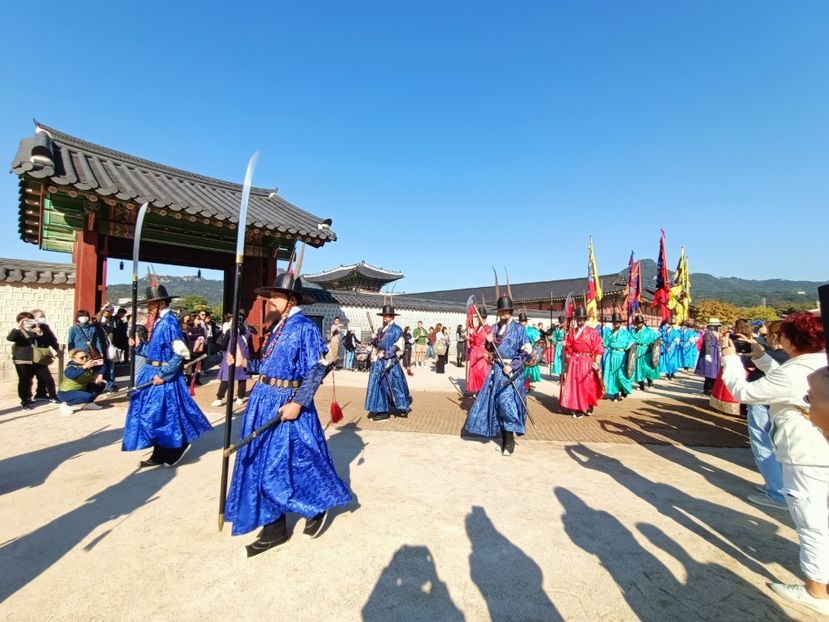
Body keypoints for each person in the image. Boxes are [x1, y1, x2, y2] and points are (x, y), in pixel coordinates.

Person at [224, 271, 352, 556]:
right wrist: (245, 362)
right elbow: (269, 367)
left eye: (274, 297)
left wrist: (298, 402)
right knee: (263, 463)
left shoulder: (304, 327)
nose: (269, 302)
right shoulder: (278, 328)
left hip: (288, 403)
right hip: (263, 400)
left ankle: (297, 516)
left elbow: (316, 368)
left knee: (284, 464)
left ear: (290, 300)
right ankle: (276, 523)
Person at [720, 312, 828, 614]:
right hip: (823, 448)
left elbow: (746, 392)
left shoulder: (796, 372)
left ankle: (816, 589)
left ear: (792, 340)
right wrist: (762, 357)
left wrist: (730, 358)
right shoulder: (818, 363)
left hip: (806, 453)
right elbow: (782, 376)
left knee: (811, 521)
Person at [123, 284, 212, 468]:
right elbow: (153, 350)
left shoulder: (170, 322)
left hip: (163, 375)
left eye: (151, 304)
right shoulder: (157, 322)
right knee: (150, 414)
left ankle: (174, 448)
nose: (148, 308)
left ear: (161, 303)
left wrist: (164, 374)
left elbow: (180, 353)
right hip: (150, 372)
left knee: (161, 415)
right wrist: (138, 346)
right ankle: (158, 452)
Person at [464, 294, 530, 456]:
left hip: (511, 373)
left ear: (511, 312)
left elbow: (527, 351)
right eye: (502, 311)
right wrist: (488, 341)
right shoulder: (494, 328)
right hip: (496, 371)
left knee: (507, 405)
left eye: (507, 311)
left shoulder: (519, 329)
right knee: (497, 405)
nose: (504, 314)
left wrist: (513, 365)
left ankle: (510, 442)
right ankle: (504, 439)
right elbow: (490, 349)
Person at [365, 304, 412, 420]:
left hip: (390, 361)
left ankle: (401, 407)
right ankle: (382, 409)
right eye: (384, 315)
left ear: (392, 316)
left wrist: (385, 354)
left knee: (395, 385)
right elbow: (377, 344)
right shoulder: (382, 330)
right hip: (380, 361)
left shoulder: (396, 329)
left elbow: (398, 345)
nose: (385, 317)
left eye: (387, 315)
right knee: (379, 384)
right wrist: (374, 338)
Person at [7, 312, 58, 409]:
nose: (28, 322)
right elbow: (10, 338)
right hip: (23, 359)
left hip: (38, 359)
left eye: (30, 319)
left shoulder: (37, 329)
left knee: (47, 378)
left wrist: (39, 332)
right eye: (25, 320)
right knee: (25, 381)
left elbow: (46, 342)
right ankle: (25, 400)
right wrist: (18, 327)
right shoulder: (18, 331)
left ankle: (53, 396)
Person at [560, 306, 605, 418]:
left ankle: (588, 404)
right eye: (578, 319)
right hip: (574, 361)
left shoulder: (592, 332)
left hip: (587, 362)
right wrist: (565, 347)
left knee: (587, 385)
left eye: (582, 319)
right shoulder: (572, 332)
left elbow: (599, 348)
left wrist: (597, 362)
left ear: (585, 319)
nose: (580, 321)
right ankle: (579, 408)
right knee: (575, 385)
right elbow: (569, 348)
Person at [212, 313, 250, 407]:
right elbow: (251, 346)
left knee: (226, 377)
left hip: (231, 356)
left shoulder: (230, 331)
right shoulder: (248, 332)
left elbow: (224, 345)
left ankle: (219, 398)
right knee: (242, 377)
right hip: (244, 356)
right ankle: (240, 398)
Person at [57, 348, 106, 415]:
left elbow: (102, 364)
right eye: (81, 358)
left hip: (80, 389)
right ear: (74, 359)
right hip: (66, 393)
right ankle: (66, 405)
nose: (85, 359)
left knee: (101, 384)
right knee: (87, 396)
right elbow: (72, 376)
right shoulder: (71, 367)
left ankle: (89, 404)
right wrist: (84, 367)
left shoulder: (88, 364)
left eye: (86, 356)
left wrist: (100, 374)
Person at [68, 309, 108, 388]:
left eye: (86, 316)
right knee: (82, 370)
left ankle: (94, 385)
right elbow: (71, 341)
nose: (84, 317)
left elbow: (97, 340)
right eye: (82, 316)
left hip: (90, 352)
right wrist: (71, 353)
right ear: (78, 317)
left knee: (97, 368)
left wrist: (100, 351)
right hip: (79, 353)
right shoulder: (74, 328)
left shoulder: (92, 328)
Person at [29, 308, 61, 402]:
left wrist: (57, 349)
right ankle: (28, 398)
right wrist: (36, 332)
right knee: (28, 379)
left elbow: (52, 339)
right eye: (41, 316)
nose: (43, 318)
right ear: (33, 318)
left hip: (41, 356)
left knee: (44, 377)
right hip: (30, 356)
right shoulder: (29, 328)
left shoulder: (45, 327)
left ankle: (42, 394)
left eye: (43, 316)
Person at [603, 313, 634, 402]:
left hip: (621, 356)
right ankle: (615, 394)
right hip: (611, 355)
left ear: (620, 323)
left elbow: (632, 344)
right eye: (614, 322)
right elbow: (605, 343)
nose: (616, 323)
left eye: (618, 322)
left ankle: (625, 390)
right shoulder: (609, 333)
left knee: (620, 375)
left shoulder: (626, 333)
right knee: (612, 375)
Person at [629, 315, 660, 391]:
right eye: (637, 323)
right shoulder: (633, 331)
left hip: (646, 351)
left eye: (640, 322)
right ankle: (641, 384)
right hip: (636, 350)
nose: (639, 324)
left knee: (647, 367)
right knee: (638, 368)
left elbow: (657, 340)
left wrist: (653, 348)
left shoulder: (649, 331)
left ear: (643, 323)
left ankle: (650, 382)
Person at [466, 306, 491, 395]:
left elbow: (491, 343)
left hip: (483, 353)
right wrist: (469, 338)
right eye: (480, 317)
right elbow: (474, 341)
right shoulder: (476, 328)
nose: (482, 319)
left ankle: (484, 392)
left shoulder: (489, 328)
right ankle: (477, 390)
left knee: (483, 372)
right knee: (475, 372)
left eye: (483, 317)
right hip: (475, 353)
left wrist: (488, 352)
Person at [695, 317, 722, 395]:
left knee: (713, 372)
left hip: (714, 353)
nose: (718, 327)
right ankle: (707, 389)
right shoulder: (709, 334)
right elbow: (707, 345)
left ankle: (710, 389)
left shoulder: (713, 333)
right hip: (711, 353)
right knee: (710, 372)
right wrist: (707, 354)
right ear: (712, 326)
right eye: (717, 326)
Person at [520, 312, 542, 391]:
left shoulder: (531, 331)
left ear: (526, 321)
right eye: (521, 321)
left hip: (530, 352)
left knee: (528, 371)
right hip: (520, 353)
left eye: (523, 321)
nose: (522, 322)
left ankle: (526, 386)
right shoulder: (517, 330)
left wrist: (535, 353)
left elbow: (539, 341)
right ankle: (522, 385)